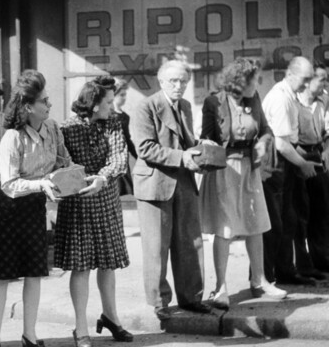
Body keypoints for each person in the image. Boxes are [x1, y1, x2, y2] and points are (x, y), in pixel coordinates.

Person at [0, 70, 71, 347]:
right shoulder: (12, 138)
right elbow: (10, 184)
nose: (49, 105)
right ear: (28, 107)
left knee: (34, 273)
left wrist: (77, 179)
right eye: (44, 101)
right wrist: (43, 185)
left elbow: (64, 162)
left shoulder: (52, 128)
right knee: (1, 276)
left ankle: (30, 334)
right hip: (6, 210)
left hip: (33, 209)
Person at [199, 58, 287, 309]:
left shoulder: (254, 98)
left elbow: (266, 130)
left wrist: (262, 142)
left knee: (256, 224)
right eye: (254, 79)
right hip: (224, 170)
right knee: (225, 229)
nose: (257, 83)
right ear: (240, 81)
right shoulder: (213, 102)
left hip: (250, 169)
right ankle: (220, 288)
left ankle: (260, 281)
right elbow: (206, 137)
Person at [130, 60, 211, 321]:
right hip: (155, 183)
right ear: (161, 82)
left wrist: (201, 151)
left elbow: (186, 141)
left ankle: (191, 298)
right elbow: (145, 148)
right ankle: (159, 302)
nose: (179, 86)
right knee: (157, 247)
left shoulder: (185, 106)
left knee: (191, 243)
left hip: (183, 181)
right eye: (173, 81)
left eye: (183, 81)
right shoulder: (146, 106)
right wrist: (183, 157)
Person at [55, 76, 132, 346]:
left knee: (108, 264)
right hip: (78, 203)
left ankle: (111, 317)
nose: (113, 106)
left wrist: (102, 177)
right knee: (81, 267)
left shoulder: (113, 123)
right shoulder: (66, 128)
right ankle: (80, 328)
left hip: (106, 198)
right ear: (95, 104)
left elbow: (119, 157)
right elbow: (60, 163)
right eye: (109, 102)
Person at [261, 56, 321, 285]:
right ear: (290, 74)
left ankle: (285, 271)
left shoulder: (289, 95)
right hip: (273, 161)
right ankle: (263, 277)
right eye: (304, 80)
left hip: (284, 159)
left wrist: (306, 157)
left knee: (288, 219)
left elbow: (289, 141)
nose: (307, 85)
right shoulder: (281, 99)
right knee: (272, 223)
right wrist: (303, 164)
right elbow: (281, 144)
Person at [293, 65, 329, 277]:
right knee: (299, 213)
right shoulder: (294, 102)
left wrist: (325, 150)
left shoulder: (324, 100)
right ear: (308, 80)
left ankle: (321, 260)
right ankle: (302, 265)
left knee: (322, 209)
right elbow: (286, 136)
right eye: (322, 79)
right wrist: (302, 159)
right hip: (297, 154)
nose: (325, 84)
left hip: (318, 153)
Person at [110, 78, 137, 195]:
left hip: (123, 157)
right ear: (114, 95)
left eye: (125, 95)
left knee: (126, 189)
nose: (124, 98)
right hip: (111, 158)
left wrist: (137, 155)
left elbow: (127, 139)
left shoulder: (125, 116)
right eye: (122, 95)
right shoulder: (108, 115)